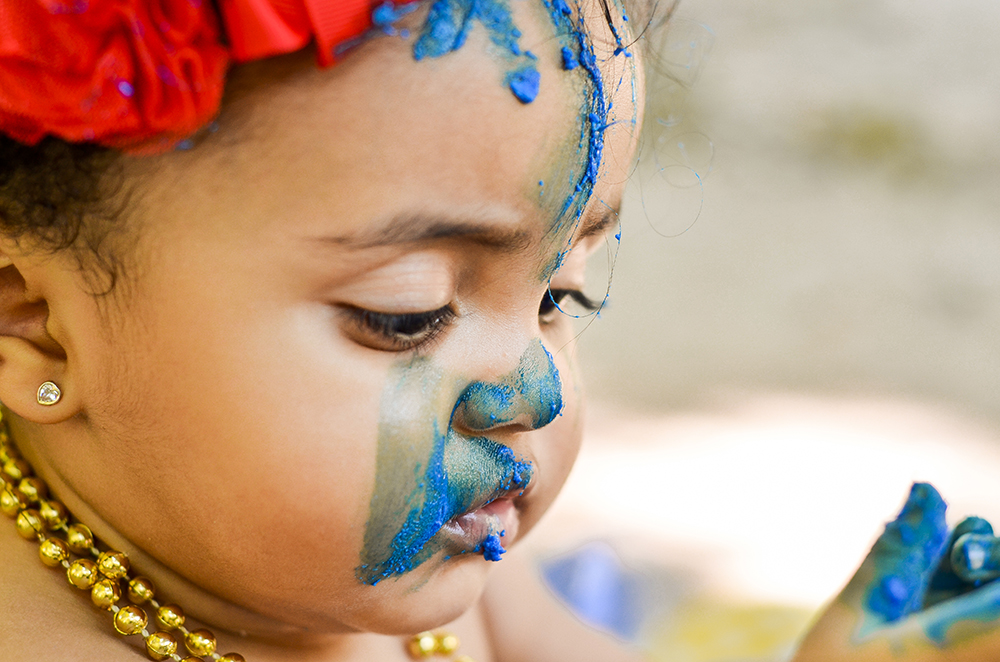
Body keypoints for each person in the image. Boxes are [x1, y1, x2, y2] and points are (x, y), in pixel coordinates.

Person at [0, 2, 999, 661]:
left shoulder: (431, 565)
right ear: (34, 326)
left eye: (562, 295)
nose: (536, 390)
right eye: (407, 314)